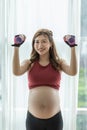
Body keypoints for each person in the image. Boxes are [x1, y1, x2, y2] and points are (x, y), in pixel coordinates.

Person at [12, 28, 77, 130]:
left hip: (54, 119)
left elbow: (73, 72)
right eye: (36, 42)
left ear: (51, 44)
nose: (40, 45)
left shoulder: (59, 63)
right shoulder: (29, 63)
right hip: (33, 119)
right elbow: (16, 72)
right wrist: (16, 47)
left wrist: (73, 47)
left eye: (44, 41)